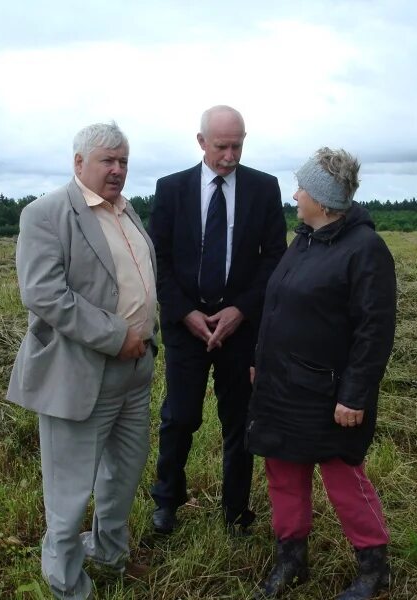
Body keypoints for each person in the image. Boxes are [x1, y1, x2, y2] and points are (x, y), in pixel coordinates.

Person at [7, 122, 157, 600]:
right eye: (107, 160)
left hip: (136, 372)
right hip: (80, 373)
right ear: (79, 163)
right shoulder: (46, 214)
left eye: (123, 161)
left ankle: (110, 552)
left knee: (124, 472)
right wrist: (118, 337)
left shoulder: (126, 211)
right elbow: (45, 294)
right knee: (69, 492)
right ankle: (67, 583)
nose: (117, 170)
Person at [247, 147, 397, 599]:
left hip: (328, 394)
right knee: (283, 472)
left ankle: (374, 569)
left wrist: (354, 396)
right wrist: (261, 361)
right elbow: (278, 307)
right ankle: (292, 560)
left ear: (324, 199)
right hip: (281, 387)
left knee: (343, 478)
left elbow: (375, 331)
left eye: (302, 189)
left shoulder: (365, 250)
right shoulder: (306, 239)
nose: (295, 195)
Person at [148, 105, 287, 536]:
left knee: (240, 420)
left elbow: (274, 260)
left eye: (238, 145)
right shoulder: (171, 189)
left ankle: (235, 511)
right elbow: (159, 259)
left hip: (240, 327)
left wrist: (240, 309)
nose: (230, 155)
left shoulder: (264, 189)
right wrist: (185, 313)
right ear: (201, 141)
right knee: (180, 416)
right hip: (186, 326)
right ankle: (166, 502)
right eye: (222, 146)